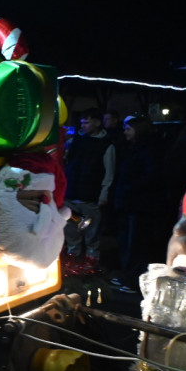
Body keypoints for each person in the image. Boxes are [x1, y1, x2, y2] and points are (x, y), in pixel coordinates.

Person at [109, 115, 164, 289]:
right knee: (128, 242)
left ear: (138, 130)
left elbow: (152, 176)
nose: (125, 132)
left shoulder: (148, 149)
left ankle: (133, 281)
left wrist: (128, 188)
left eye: (128, 129)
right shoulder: (133, 148)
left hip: (139, 205)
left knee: (136, 244)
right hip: (129, 203)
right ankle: (128, 276)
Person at [63, 107, 116, 272]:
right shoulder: (74, 141)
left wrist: (104, 194)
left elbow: (109, 172)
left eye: (87, 122)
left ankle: (91, 263)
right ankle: (73, 261)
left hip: (91, 196)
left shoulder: (106, 145)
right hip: (71, 195)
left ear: (97, 123)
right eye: (82, 122)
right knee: (72, 231)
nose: (84, 125)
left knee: (92, 233)